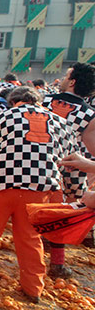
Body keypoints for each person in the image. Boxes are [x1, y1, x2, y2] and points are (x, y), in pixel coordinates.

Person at [0, 86, 77, 303]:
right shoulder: (59, 121)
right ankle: (33, 288)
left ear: (13, 101)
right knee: (30, 238)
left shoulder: (2, 117)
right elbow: (66, 155)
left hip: (0, 183)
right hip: (40, 186)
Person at [38, 62, 95, 278]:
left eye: (66, 75)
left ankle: (34, 257)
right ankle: (58, 264)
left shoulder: (43, 101)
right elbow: (93, 148)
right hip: (71, 167)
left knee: (33, 209)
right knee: (64, 212)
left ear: (72, 82)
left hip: (38, 164)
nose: (62, 78)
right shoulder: (89, 114)